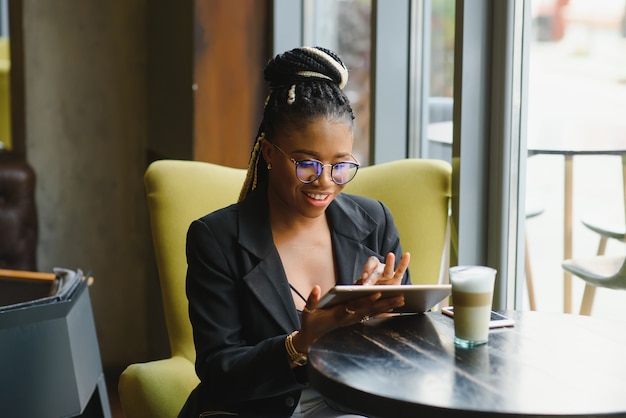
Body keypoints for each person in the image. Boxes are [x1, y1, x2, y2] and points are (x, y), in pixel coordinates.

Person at [179, 46, 411, 418]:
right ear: (269, 153)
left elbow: (406, 348)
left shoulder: (374, 221)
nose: (324, 182)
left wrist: (385, 315)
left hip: (353, 403)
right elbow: (218, 370)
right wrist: (301, 343)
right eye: (306, 164)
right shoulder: (216, 238)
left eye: (341, 166)